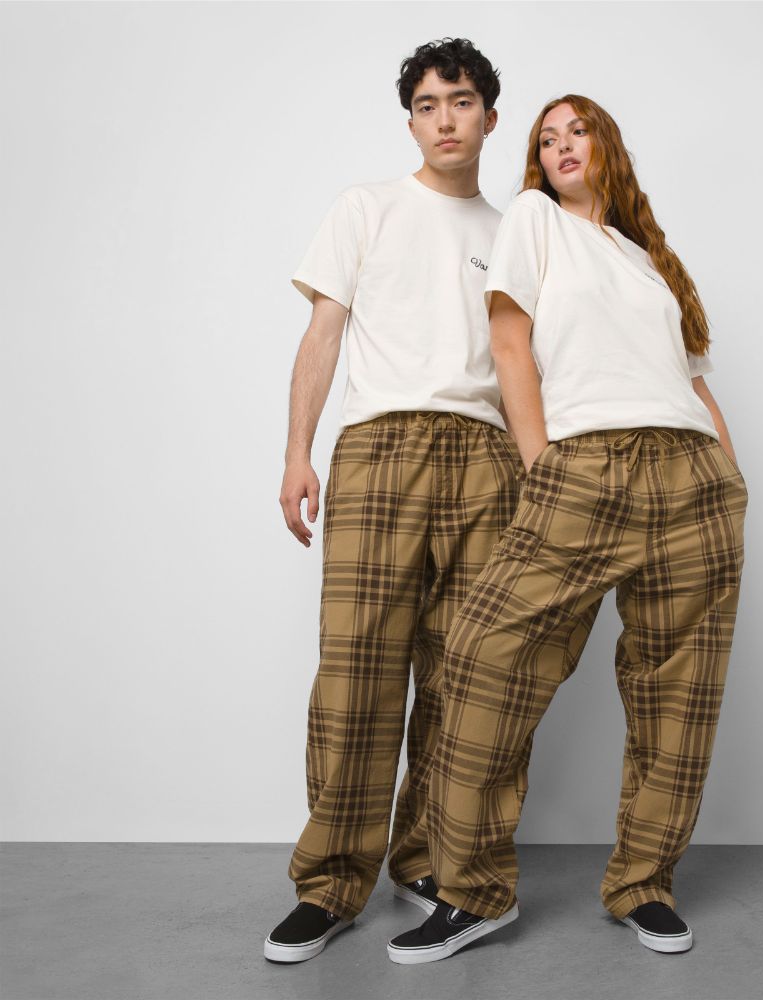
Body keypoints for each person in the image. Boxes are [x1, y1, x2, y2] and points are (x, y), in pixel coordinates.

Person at [387, 94, 749, 964]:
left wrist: (731, 481)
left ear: (606, 144)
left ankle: (644, 883)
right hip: (586, 465)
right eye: (545, 138)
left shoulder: (650, 259)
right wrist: (541, 465)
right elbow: (510, 345)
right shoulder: (535, 221)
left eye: (576, 130)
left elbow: (692, 382)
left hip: (693, 479)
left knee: (677, 694)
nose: (559, 147)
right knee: (482, 653)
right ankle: (473, 891)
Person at [264, 38, 523, 964]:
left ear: (491, 116)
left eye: (462, 101)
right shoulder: (365, 207)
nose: (445, 119)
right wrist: (298, 454)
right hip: (380, 447)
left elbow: (529, 366)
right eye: (427, 104)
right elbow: (322, 334)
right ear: (410, 120)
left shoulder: (517, 232)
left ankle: (428, 862)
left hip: (488, 457)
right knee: (356, 671)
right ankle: (331, 882)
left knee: (466, 676)